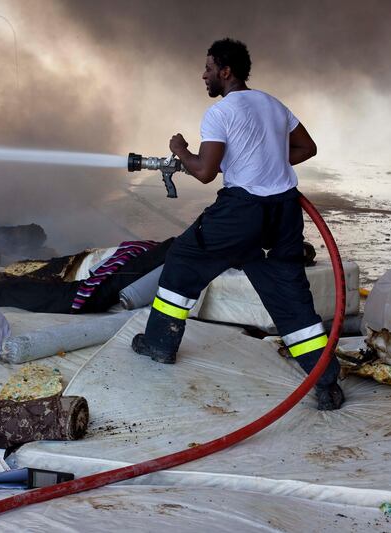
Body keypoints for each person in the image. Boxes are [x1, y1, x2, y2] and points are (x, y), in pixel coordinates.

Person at [131, 38, 344, 410]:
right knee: (289, 293)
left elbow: (205, 172)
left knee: (182, 258)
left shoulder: (220, 113)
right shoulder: (273, 104)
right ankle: (325, 382)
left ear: (225, 72)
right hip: (284, 211)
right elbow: (307, 148)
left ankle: (160, 343)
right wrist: (266, 162)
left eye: (209, 68)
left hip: (241, 211)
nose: (204, 75)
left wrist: (180, 148)